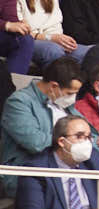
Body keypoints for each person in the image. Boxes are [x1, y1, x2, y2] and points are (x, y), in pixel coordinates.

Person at [0, 56, 83, 188]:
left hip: (67, 171)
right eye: (69, 93)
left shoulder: (66, 106)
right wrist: (70, 141)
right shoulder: (19, 102)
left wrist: (92, 141)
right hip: (28, 173)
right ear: (53, 86)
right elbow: (35, 142)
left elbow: (91, 137)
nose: (72, 98)